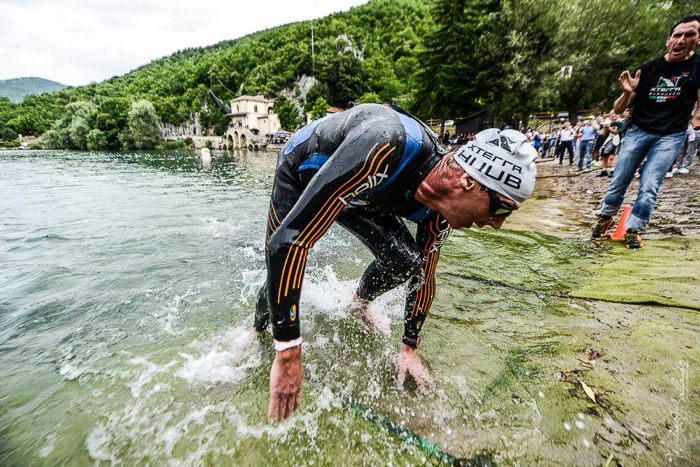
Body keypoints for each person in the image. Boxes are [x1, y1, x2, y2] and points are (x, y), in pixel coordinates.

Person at [253, 103, 537, 421]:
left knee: (407, 261)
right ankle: (258, 332)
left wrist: (409, 348)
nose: (498, 224)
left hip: (367, 194)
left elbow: (425, 277)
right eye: (501, 209)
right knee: (283, 266)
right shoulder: (385, 145)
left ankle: (358, 304)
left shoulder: (438, 214)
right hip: (304, 172)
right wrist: (289, 352)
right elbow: (289, 242)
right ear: (469, 182)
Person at [592, 15, 700, 248]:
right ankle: (605, 218)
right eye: (677, 35)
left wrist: (697, 117)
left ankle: (634, 229)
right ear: (668, 40)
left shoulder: (697, 67)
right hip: (638, 131)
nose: (681, 40)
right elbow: (618, 110)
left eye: (689, 34)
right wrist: (628, 92)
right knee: (619, 180)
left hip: (671, 136)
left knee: (650, 183)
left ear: (697, 39)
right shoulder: (650, 69)